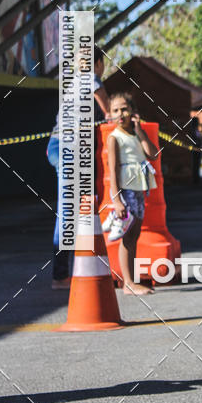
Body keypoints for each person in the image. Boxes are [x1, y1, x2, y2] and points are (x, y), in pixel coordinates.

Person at [46, 46, 110, 290]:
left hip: (59, 146)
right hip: (66, 148)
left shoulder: (74, 82)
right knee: (67, 211)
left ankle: (67, 271)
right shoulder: (90, 78)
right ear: (98, 63)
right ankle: (60, 275)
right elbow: (110, 112)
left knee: (74, 207)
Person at [106, 92, 158, 295]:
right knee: (127, 235)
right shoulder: (114, 138)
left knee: (135, 234)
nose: (121, 114)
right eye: (115, 110)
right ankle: (127, 282)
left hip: (139, 189)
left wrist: (141, 131)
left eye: (124, 109)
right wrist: (116, 200)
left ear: (133, 112)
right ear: (110, 114)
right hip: (126, 190)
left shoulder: (136, 134)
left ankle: (133, 280)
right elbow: (112, 170)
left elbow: (153, 154)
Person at [186, 115, 202, 184]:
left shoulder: (197, 130)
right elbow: (194, 140)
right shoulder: (192, 131)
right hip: (195, 150)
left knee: (197, 164)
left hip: (198, 149)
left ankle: (197, 177)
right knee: (195, 164)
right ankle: (195, 178)